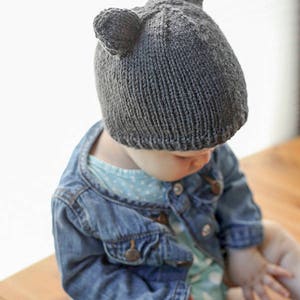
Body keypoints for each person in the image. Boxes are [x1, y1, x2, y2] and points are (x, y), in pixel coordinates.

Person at [51, 0, 299, 299]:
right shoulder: (80, 202)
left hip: (217, 259)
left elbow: (232, 185)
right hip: (167, 291)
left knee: (273, 236)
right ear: (135, 135)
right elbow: (84, 277)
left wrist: (243, 248)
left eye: (214, 147)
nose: (207, 159)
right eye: (186, 156)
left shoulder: (195, 145)